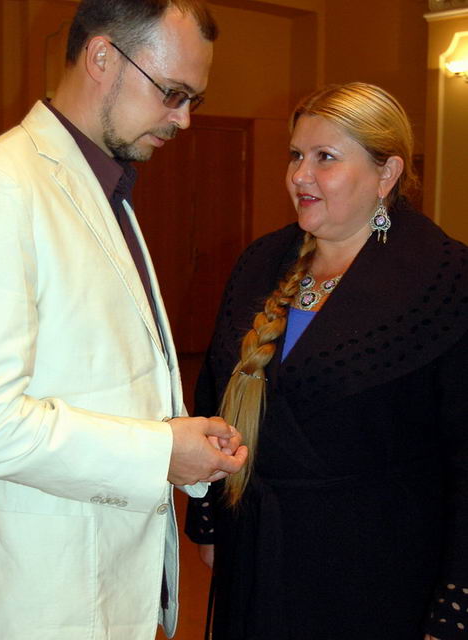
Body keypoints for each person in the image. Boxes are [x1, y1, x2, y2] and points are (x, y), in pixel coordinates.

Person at [0, 1, 248, 638]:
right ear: (103, 57)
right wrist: (162, 452)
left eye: (193, 99)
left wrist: (180, 433)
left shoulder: (106, 188)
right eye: (172, 93)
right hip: (45, 596)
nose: (184, 119)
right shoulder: (5, 185)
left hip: (108, 580)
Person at [186, 82, 468, 640]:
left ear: (387, 174)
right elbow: (214, 393)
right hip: (257, 553)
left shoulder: (445, 280)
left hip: (375, 575)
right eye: (296, 155)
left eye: (325, 158)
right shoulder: (261, 262)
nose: (300, 175)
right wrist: (212, 520)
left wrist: (455, 605)